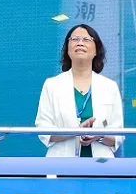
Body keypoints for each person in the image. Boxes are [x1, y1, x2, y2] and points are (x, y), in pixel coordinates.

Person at [35, 24, 124, 157]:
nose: (80, 43)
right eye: (75, 39)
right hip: (61, 161)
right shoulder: (52, 85)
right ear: (67, 49)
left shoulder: (109, 86)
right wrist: (75, 131)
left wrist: (98, 136)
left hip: (101, 162)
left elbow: (118, 135)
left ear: (96, 50)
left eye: (86, 39)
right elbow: (44, 130)